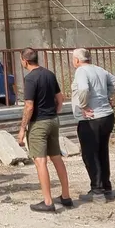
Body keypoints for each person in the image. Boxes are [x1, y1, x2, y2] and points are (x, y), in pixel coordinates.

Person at [16, 48, 72, 212]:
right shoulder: (49, 74)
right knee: (56, 157)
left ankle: (48, 201)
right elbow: (60, 98)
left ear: (24, 61)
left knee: (40, 161)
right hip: (53, 120)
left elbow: (29, 106)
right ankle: (66, 196)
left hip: (39, 124)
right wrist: (56, 111)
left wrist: (22, 128)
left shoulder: (30, 79)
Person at [71, 48, 115, 201]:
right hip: (106, 116)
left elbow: (84, 89)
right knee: (102, 152)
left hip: (91, 119)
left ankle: (97, 191)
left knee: (90, 154)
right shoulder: (99, 70)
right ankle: (106, 188)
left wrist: (83, 106)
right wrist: (107, 96)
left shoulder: (81, 71)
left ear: (77, 60)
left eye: (73, 59)